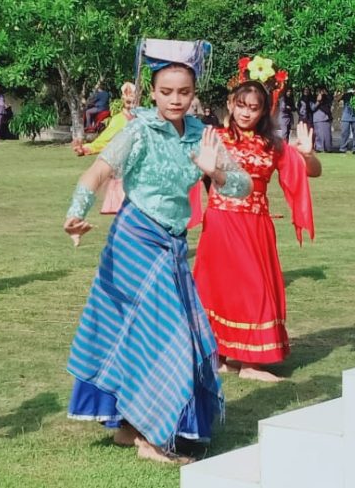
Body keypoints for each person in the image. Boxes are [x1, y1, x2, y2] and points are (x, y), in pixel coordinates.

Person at [63, 38, 252, 464]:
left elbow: (243, 186)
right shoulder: (139, 129)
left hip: (172, 245)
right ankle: (151, 437)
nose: (175, 100)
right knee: (165, 336)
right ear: (152, 92)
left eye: (183, 92)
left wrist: (215, 171)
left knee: (145, 335)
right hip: (134, 239)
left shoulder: (204, 136)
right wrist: (76, 213)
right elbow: (97, 171)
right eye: (166, 92)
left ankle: (129, 427)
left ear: (194, 93)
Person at [193, 80, 320, 383]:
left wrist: (308, 154)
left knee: (255, 287)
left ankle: (251, 362)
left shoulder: (272, 145)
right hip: (221, 222)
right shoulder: (216, 137)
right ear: (231, 103)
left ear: (264, 111)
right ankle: (219, 357)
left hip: (255, 225)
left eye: (254, 108)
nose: (246, 113)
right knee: (217, 288)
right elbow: (190, 170)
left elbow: (312, 171)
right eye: (241, 105)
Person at [72, 82, 139, 214]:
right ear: (123, 101)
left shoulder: (141, 119)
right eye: (127, 101)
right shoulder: (119, 120)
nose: (130, 104)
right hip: (123, 169)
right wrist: (86, 149)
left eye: (132, 101)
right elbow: (104, 140)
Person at [338, 89, 355, 153]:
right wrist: (342, 93)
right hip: (346, 116)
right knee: (344, 133)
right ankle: (343, 148)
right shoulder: (346, 94)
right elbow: (337, 100)